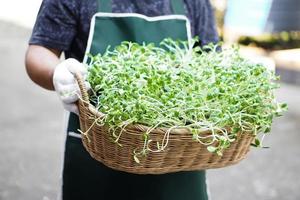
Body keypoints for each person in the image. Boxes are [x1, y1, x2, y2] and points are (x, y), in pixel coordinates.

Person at [25, 0, 219, 199]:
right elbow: (41, 50)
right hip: (96, 151)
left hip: (177, 157)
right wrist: (57, 73)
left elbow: (212, 61)